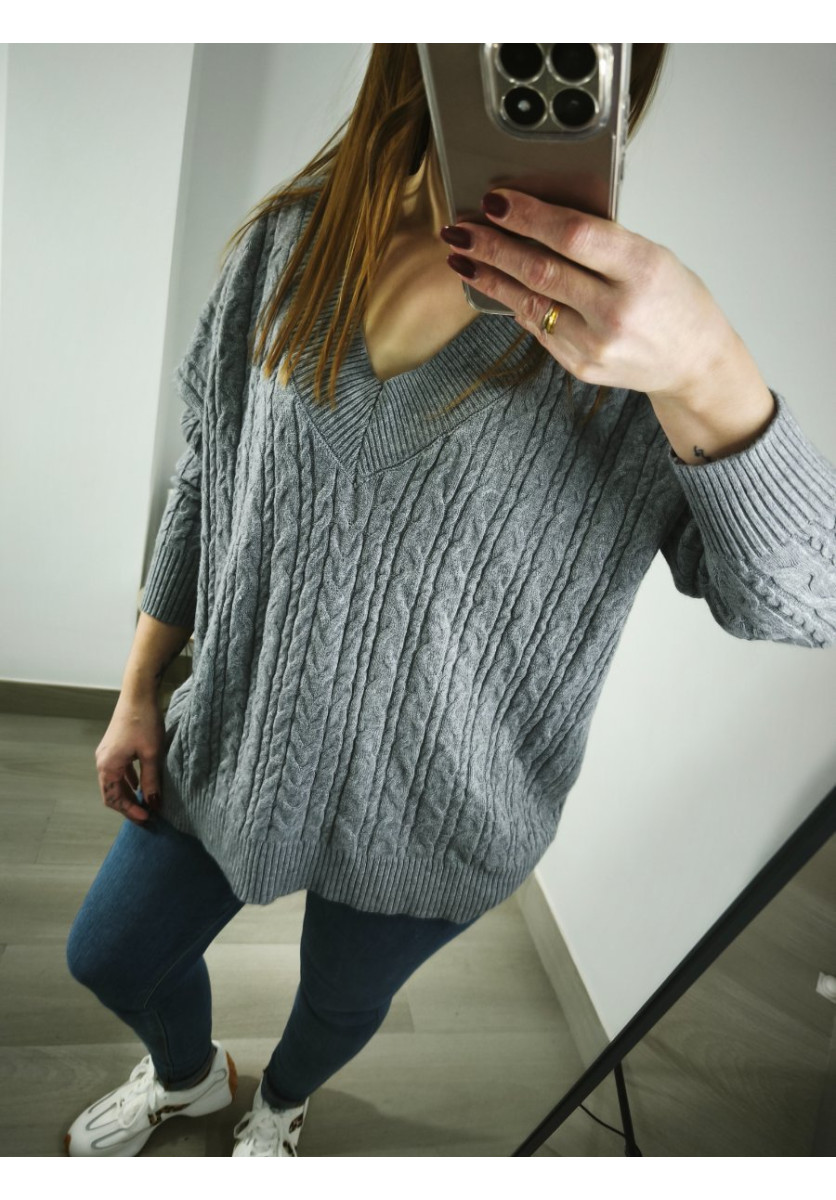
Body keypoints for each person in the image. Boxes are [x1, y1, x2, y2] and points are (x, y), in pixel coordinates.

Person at [64, 44, 835, 1157]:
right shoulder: (292, 243)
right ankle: (187, 1080)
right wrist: (139, 686)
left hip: (441, 817)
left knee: (340, 1001)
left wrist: (707, 364)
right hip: (235, 739)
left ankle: (281, 1107)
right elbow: (207, 468)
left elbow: (805, 601)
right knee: (111, 954)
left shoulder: (632, 352)